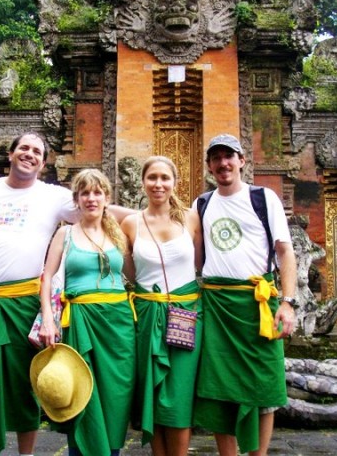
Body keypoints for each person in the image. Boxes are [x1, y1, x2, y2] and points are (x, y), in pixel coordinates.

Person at [0, 133, 131, 456]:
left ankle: (26, 453)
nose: (29, 154)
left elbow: (98, 206)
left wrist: (158, 214)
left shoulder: (53, 197)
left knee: (27, 380)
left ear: (43, 163)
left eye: (37, 152)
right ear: (11, 153)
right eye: (24, 148)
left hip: (26, 301)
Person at [193, 134, 297, 456]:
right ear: (209, 165)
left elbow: (285, 251)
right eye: (216, 157)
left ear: (241, 160)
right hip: (216, 306)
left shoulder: (264, 198)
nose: (223, 163)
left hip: (257, 304)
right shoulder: (202, 204)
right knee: (219, 387)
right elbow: (194, 257)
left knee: (264, 385)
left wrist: (288, 302)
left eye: (229, 156)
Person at [38, 168, 136, 456]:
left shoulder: (119, 234)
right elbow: (46, 277)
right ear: (76, 199)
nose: (91, 199)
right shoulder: (65, 234)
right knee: (81, 394)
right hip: (81, 319)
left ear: (107, 197)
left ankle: (112, 452)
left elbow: (133, 276)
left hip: (119, 325)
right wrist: (47, 318)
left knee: (116, 396)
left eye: (98, 192)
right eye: (85, 193)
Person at [120, 156, 203, 456]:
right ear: (142, 182)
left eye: (165, 178)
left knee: (179, 393)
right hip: (146, 315)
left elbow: (201, 264)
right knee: (151, 392)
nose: (158, 184)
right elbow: (129, 273)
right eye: (152, 177)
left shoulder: (191, 219)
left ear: (175, 182)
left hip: (186, 313)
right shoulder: (130, 223)